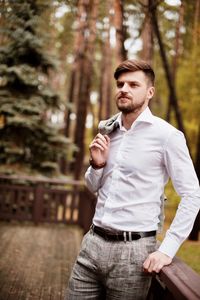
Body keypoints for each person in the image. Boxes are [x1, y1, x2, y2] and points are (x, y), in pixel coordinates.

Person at [66, 59, 200, 300]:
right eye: (120, 84)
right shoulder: (107, 130)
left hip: (134, 253)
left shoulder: (167, 136)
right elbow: (91, 186)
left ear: (150, 92)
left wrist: (167, 250)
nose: (124, 89)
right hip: (92, 244)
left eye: (133, 84)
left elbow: (192, 195)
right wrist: (97, 165)